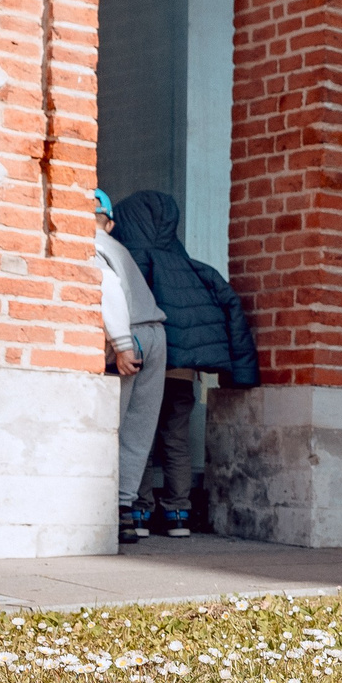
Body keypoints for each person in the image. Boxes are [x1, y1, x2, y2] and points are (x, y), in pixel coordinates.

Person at [110, 190, 260, 537]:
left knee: (138, 436)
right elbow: (232, 312)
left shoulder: (130, 264)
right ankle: (178, 512)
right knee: (176, 440)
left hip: (144, 366)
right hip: (183, 373)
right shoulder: (193, 268)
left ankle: (139, 510)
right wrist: (240, 371)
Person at [92, 189, 167, 544]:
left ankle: (112, 514)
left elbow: (109, 292)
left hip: (131, 336)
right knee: (139, 432)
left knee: (115, 429)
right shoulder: (116, 245)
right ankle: (126, 512)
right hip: (156, 333)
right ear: (108, 220)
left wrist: (121, 345)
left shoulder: (90, 244)